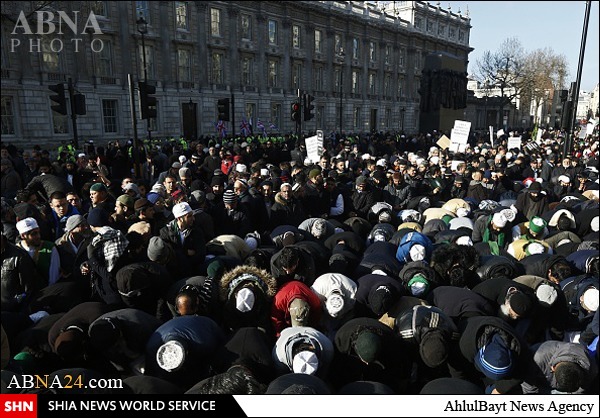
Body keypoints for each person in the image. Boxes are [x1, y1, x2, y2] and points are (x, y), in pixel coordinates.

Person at [159, 202, 206, 277]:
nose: (193, 219)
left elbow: (201, 254)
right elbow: (168, 254)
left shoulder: (196, 231)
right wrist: (185, 252)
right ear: (179, 219)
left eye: (192, 215)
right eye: (189, 216)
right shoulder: (165, 232)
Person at [16, 217, 60, 287]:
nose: (38, 236)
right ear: (23, 236)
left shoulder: (50, 248)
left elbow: (54, 277)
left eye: (38, 232)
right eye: (34, 234)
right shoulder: (16, 251)